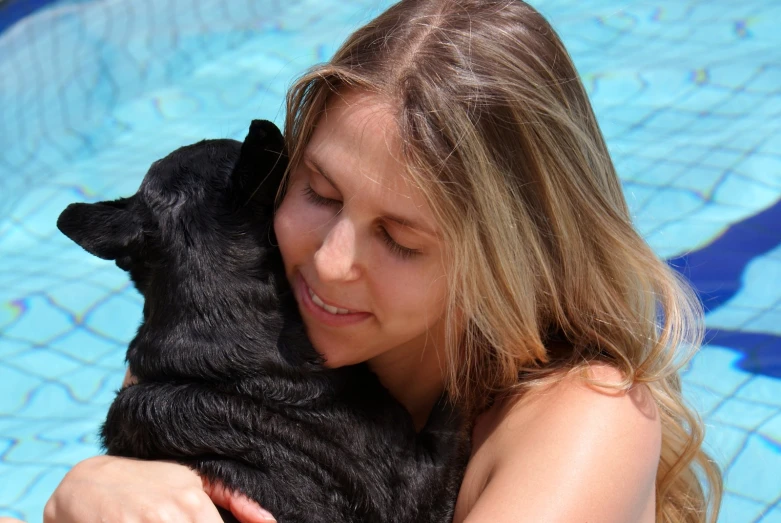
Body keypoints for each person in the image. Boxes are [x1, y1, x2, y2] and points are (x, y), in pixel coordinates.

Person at [32, 0, 722, 522]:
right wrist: (87, 488)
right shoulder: (229, 337)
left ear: (510, 259)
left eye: (401, 240)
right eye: (318, 192)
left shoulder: (587, 419)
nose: (330, 264)